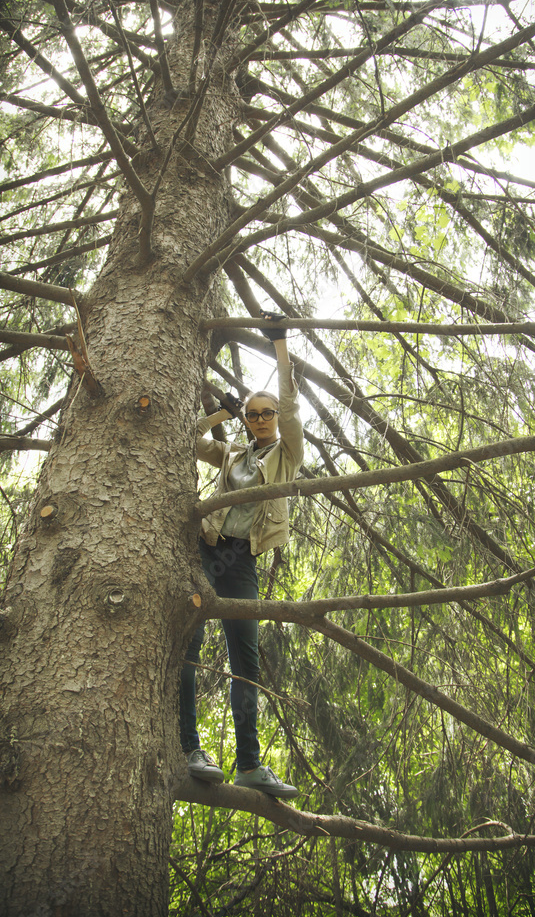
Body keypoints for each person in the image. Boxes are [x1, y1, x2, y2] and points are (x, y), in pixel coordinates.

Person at [180, 311, 304, 799]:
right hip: (206, 551)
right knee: (187, 647)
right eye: (251, 415)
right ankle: (189, 746)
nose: (258, 421)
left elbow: (292, 406)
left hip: (243, 562)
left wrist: (280, 346)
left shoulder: (288, 452)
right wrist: (221, 417)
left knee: (244, 660)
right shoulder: (232, 453)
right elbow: (187, 440)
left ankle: (249, 764)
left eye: (264, 413)